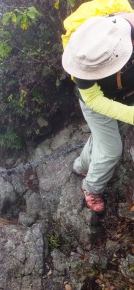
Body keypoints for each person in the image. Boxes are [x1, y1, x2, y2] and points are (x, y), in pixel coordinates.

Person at [62, 12, 134, 212]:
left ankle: (82, 166)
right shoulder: (82, 58)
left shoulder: (126, 30)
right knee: (111, 150)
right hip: (97, 104)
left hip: (126, 98)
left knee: (105, 137)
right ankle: (91, 187)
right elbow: (93, 99)